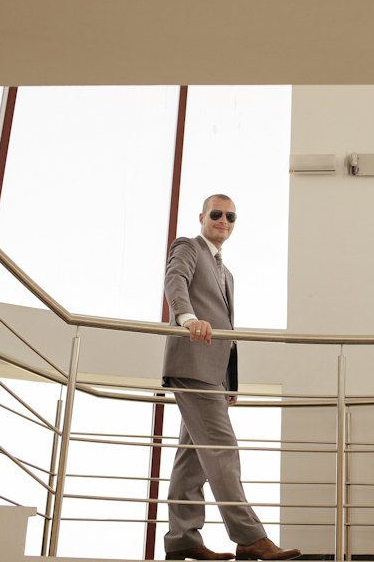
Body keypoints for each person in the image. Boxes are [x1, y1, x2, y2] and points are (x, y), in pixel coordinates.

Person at [162, 194, 301, 561]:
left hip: (213, 374)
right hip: (192, 363)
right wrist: (186, 319)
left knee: (191, 458)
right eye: (217, 213)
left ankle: (182, 538)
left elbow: (226, 328)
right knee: (224, 451)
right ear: (202, 217)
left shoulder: (227, 272)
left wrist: (229, 382)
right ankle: (249, 536)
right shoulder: (188, 246)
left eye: (231, 216)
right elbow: (175, 280)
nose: (224, 220)